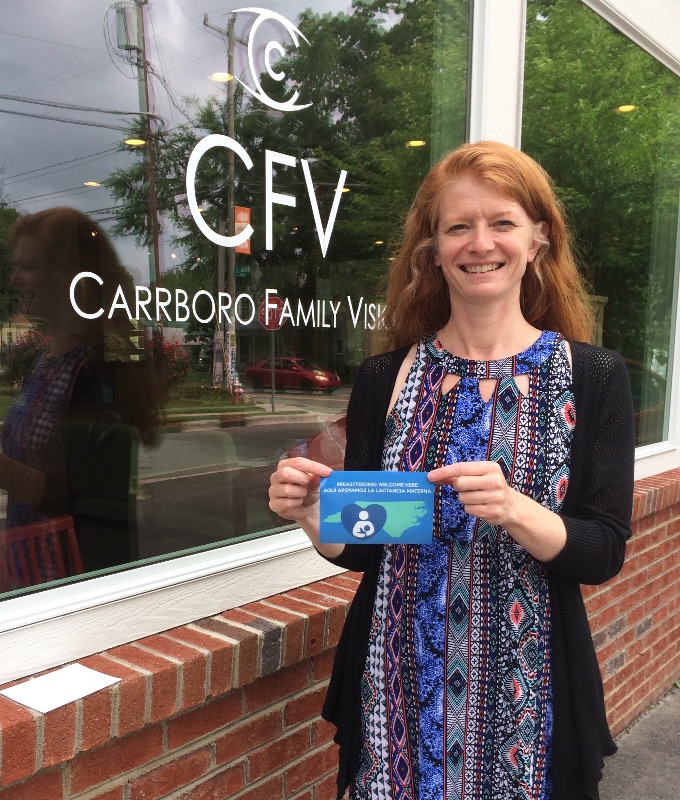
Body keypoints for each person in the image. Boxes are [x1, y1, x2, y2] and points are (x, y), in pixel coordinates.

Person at [269, 141, 634, 800]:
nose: (479, 243)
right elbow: (362, 549)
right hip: (396, 698)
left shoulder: (592, 376)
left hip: (532, 707)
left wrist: (514, 508)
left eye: (501, 223)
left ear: (538, 239)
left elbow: (603, 550)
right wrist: (309, 514)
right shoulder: (388, 378)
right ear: (433, 250)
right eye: (458, 226)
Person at [0, 207, 162, 576]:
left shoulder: (98, 366)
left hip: (73, 575)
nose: (13, 279)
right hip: (33, 564)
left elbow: (80, 496)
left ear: (73, 277)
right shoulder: (48, 358)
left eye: (28, 267)